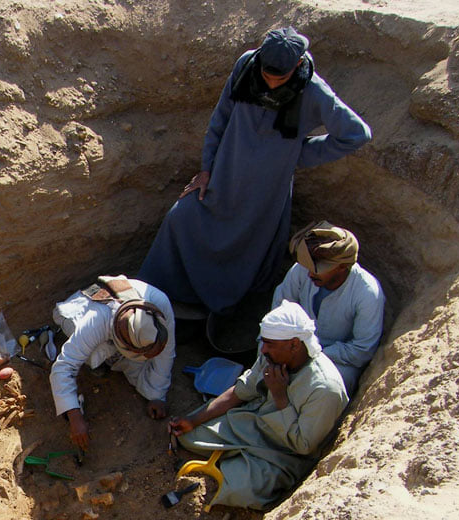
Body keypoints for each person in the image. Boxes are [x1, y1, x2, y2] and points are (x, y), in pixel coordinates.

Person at [138, 27, 372, 315]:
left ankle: (224, 311)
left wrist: (296, 155)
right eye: (267, 75)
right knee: (181, 218)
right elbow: (221, 117)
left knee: (249, 250)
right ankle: (155, 298)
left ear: (298, 65)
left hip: (266, 192)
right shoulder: (247, 65)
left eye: (280, 79)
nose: (271, 84)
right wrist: (206, 169)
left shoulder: (313, 91)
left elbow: (356, 134)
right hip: (225, 174)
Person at [169, 300, 347, 509]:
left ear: (294, 344)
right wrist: (193, 420)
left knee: (240, 490)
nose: (263, 350)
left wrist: (279, 395)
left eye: (270, 344)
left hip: (283, 452)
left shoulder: (325, 389)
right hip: (254, 425)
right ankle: (235, 461)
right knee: (187, 436)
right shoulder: (271, 358)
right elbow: (240, 392)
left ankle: (237, 467)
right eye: (264, 342)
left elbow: (303, 446)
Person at [50, 275, 175, 450]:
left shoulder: (160, 306)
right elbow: (64, 366)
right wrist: (74, 417)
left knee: (145, 376)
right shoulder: (95, 322)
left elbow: (167, 352)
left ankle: (119, 361)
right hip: (78, 312)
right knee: (93, 355)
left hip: (117, 332)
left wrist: (157, 395)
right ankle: (104, 361)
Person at [273, 221, 385, 394]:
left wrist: (312, 355)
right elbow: (278, 313)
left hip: (335, 361)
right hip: (292, 349)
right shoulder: (301, 271)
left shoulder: (367, 293)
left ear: (342, 267)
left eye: (318, 269)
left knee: (326, 389)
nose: (310, 274)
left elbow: (362, 349)